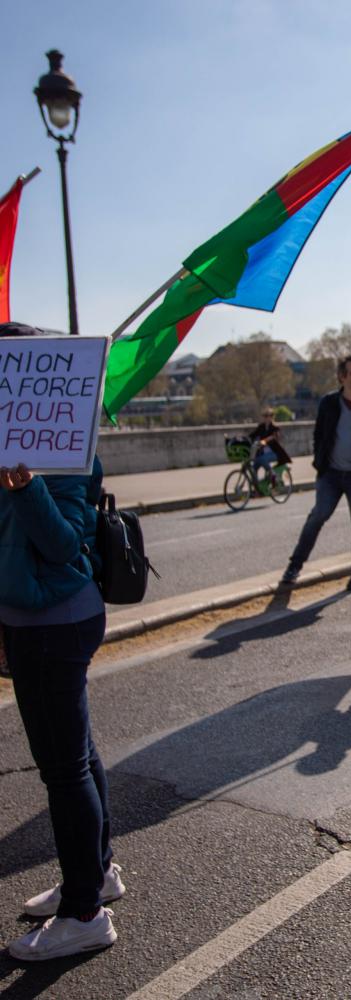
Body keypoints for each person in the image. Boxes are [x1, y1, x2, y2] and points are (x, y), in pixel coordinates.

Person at [1, 322, 123, 961]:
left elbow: (61, 544)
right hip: (29, 621)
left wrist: (26, 488)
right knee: (78, 754)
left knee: (64, 767)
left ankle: (83, 914)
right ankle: (97, 874)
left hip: (56, 622)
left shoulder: (65, 449)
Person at [280, 353, 351, 591]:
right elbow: (319, 434)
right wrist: (320, 463)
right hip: (330, 474)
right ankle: (294, 566)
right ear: (342, 377)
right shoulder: (328, 402)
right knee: (318, 516)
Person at [249, 406, 292, 483]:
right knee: (254, 466)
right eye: (265, 416)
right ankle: (257, 486)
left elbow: (274, 437)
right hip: (263, 453)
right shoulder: (261, 427)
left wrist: (264, 441)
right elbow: (252, 435)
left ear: (272, 417)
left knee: (261, 459)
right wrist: (243, 439)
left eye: (269, 415)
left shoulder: (275, 428)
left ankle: (273, 475)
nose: (267, 418)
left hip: (274, 453)